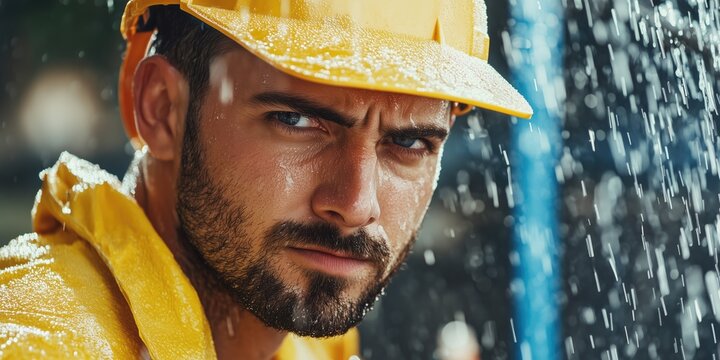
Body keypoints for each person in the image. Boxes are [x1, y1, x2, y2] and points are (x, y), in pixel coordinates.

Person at [0, 0, 531, 358]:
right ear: (162, 110)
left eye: (410, 143)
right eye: (297, 121)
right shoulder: (42, 340)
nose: (355, 203)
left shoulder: (306, 338)